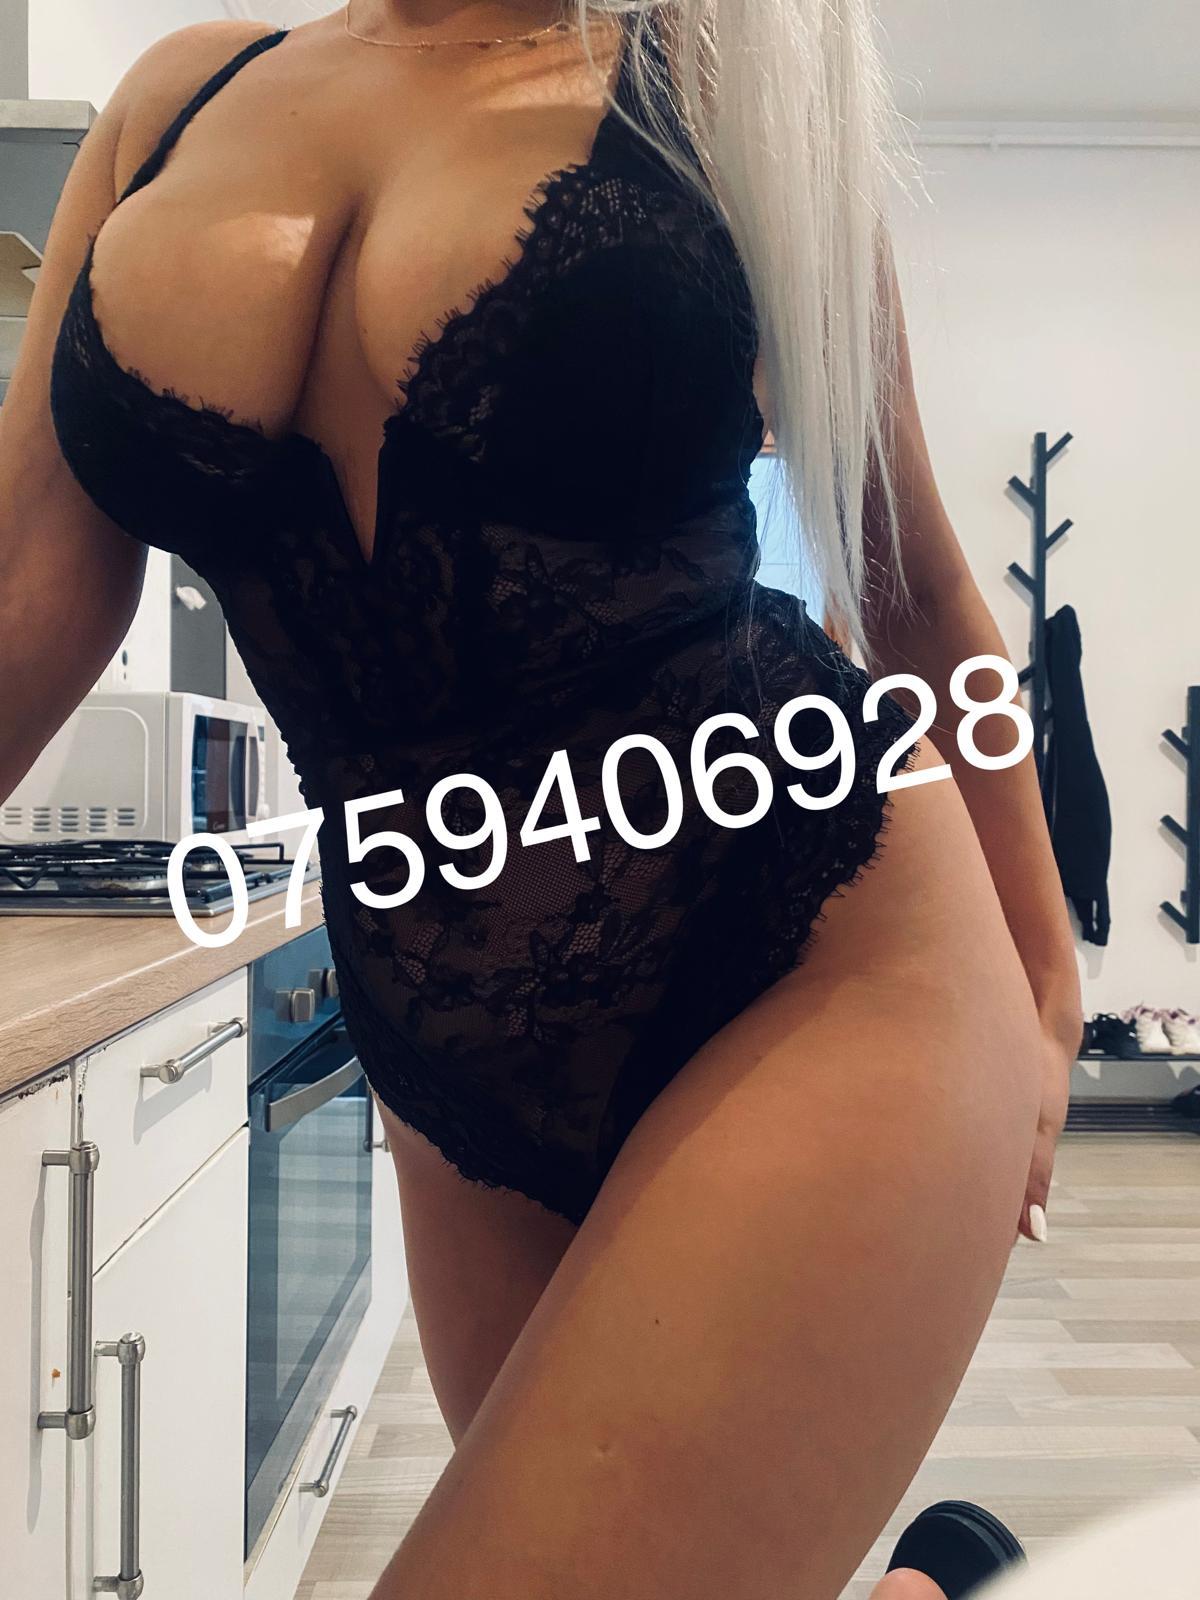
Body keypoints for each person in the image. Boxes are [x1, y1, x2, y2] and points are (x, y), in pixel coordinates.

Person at [0, 3, 1083, 1595]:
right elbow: (28, 589)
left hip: (812, 940)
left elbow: (904, 574)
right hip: (445, 1032)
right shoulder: (175, 102)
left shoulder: (715, 86)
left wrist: (1047, 984)